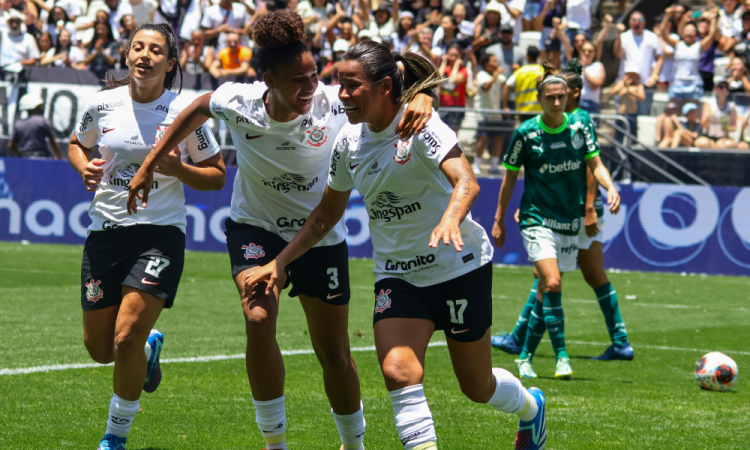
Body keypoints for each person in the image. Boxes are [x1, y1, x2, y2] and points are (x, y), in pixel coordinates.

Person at [124, 11, 436, 450]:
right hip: (255, 227)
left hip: (319, 237)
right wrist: (150, 163)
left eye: (313, 75)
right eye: (298, 80)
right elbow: (196, 109)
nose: (310, 87)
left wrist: (423, 98)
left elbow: (393, 93)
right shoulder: (239, 101)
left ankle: (355, 444)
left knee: (333, 353)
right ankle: (276, 445)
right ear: (267, 79)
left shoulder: (333, 105)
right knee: (257, 317)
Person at [245, 39, 549, 450]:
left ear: (385, 87)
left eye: (352, 85)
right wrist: (279, 263)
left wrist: (450, 217)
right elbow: (323, 217)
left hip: (458, 268)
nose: (342, 94)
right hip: (398, 277)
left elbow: (467, 182)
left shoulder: (421, 125)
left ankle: (531, 409)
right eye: (340, 83)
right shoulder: (348, 144)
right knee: (397, 370)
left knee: (477, 386)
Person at [67, 23, 225, 450]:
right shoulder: (101, 104)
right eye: (138, 47)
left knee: (125, 337)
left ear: (170, 63)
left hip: (159, 234)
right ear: (126, 56)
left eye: (156, 50)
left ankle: (115, 437)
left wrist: (178, 169)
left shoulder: (185, 111)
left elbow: (216, 175)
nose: (144, 55)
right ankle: (151, 350)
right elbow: (76, 144)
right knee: (100, 349)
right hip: (104, 232)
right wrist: (83, 165)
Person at [492, 60, 631, 362]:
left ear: (573, 92)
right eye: (549, 92)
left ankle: (523, 342)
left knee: (557, 278)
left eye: (561, 91)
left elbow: (591, 167)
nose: (555, 98)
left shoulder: (579, 120)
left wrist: (590, 207)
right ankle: (618, 340)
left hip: (579, 212)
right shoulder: (546, 124)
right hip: (558, 210)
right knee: (557, 277)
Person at [660, 7, 717, 102]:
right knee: (673, 110)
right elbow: (663, 34)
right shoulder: (677, 44)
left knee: (693, 112)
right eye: (687, 31)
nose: (689, 34)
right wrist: (667, 16)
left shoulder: (699, 46)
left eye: (692, 31)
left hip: (694, 84)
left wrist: (713, 19)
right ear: (682, 32)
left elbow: (711, 35)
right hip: (677, 83)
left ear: (696, 34)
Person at [613, 11, 663, 116]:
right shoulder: (624, 36)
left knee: (642, 118)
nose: (637, 23)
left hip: (644, 85)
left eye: (640, 20)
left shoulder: (652, 37)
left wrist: (654, 77)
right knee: (623, 118)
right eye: (634, 20)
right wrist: (618, 35)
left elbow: (660, 58)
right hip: (626, 84)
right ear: (629, 22)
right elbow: (618, 54)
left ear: (644, 22)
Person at [474, 53, 506, 175]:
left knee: (499, 138)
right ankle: (476, 165)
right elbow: (485, 87)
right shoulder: (481, 75)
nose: (496, 64)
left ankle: (493, 166)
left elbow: (505, 83)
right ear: (486, 63)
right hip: (484, 113)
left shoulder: (497, 76)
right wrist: (496, 75)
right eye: (494, 61)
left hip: (496, 114)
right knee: (483, 139)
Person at [9, 93, 61, 159]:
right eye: (40, 105)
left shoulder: (18, 124)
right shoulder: (42, 121)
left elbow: (11, 145)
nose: (42, 107)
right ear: (35, 107)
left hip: (24, 159)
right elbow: (53, 142)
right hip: (41, 159)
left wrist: (20, 154)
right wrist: (59, 157)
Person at [694, 78, 739, 149]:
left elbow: (734, 127)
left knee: (729, 144)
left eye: (726, 87)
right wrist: (708, 118)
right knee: (701, 142)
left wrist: (727, 127)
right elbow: (703, 124)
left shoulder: (731, 106)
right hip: (709, 137)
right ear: (716, 89)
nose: (724, 89)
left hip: (723, 138)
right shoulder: (709, 104)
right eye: (721, 87)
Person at [502, 45, 543, 120]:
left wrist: (505, 106)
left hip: (523, 112)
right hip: (541, 110)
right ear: (538, 56)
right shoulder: (543, 71)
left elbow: (506, 87)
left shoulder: (520, 71)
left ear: (527, 57)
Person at [609, 66, 644, 142]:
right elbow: (611, 95)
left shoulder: (638, 86)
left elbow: (642, 97)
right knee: (618, 138)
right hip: (621, 114)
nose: (630, 77)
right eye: (629, 75)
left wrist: (629, 90)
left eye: (633, 75)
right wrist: (621, 87)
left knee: (632, 138)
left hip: (632, 115)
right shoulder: (621, 84)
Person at [438, 43, 468, 130]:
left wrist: (457, 65)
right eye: (450, 55)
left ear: (460, 56)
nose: (452, 58)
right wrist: (443, 62)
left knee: (452, 133)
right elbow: (438, 78)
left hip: (457, 108)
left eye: (455, 55)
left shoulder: (463, 70)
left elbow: (452, 80)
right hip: (443, 106)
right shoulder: (445, 69)